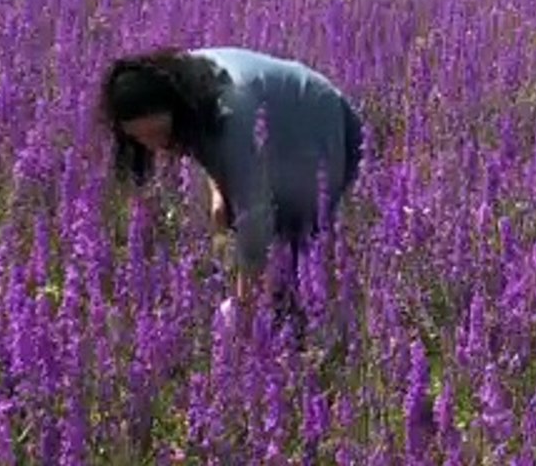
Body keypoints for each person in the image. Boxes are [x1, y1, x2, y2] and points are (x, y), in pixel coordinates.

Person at [99, 46, 364, 323]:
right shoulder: (180, 85)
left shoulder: (228, 108)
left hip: (314, 119)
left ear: (174, 108)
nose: (153, 144)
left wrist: (244, 305)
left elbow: (254, 212)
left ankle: (316, 321)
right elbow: (210, 143)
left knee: (301, 230)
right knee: (262, 237)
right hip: (272, 115)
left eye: (158, 133)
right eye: (140, 138)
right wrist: (219, 190)